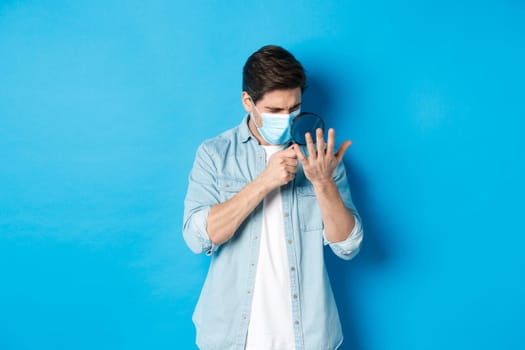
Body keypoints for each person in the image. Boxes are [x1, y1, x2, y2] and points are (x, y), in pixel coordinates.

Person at [183, 45, 363, 350]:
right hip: (230, 337)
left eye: (294, 108)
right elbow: (199, 238)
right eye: (275, 111)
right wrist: (263, 182)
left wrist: (323, 183)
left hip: (307, 337)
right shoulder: (214, 154)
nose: (288, 117)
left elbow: (348, 246)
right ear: (247, 102)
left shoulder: (322, 160)